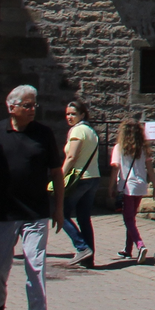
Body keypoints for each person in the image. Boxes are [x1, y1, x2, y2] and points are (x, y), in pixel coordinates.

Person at [0, 85, 62, 310]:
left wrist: (58, 208)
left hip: (36, 212)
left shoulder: (43, 134)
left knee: (35, 266)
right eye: (27, 105)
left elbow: (56, 172)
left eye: (34, 104)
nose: (32, 109)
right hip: (4, 212)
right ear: (11, 107)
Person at [59, 100, 102, 268]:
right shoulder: (91, 131)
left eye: (73, 114)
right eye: (67, 114)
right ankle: (89, 259)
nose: (69, 117)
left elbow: (71, 156)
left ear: (82, 115)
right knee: (84, 217)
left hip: (80, 178)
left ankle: (82, 247)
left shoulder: (77, 130)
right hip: (93, 177)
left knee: (61, 213)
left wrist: (60, 177)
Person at [110, 119, 152, 263]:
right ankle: (128, 249)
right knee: (131, 218)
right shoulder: (143, 148)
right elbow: (150, 169)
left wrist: (111, 186)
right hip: (141, 185)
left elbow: (115, 168)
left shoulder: (119, 148)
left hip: (127, 186)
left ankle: (140, 245)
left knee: (128, 219)